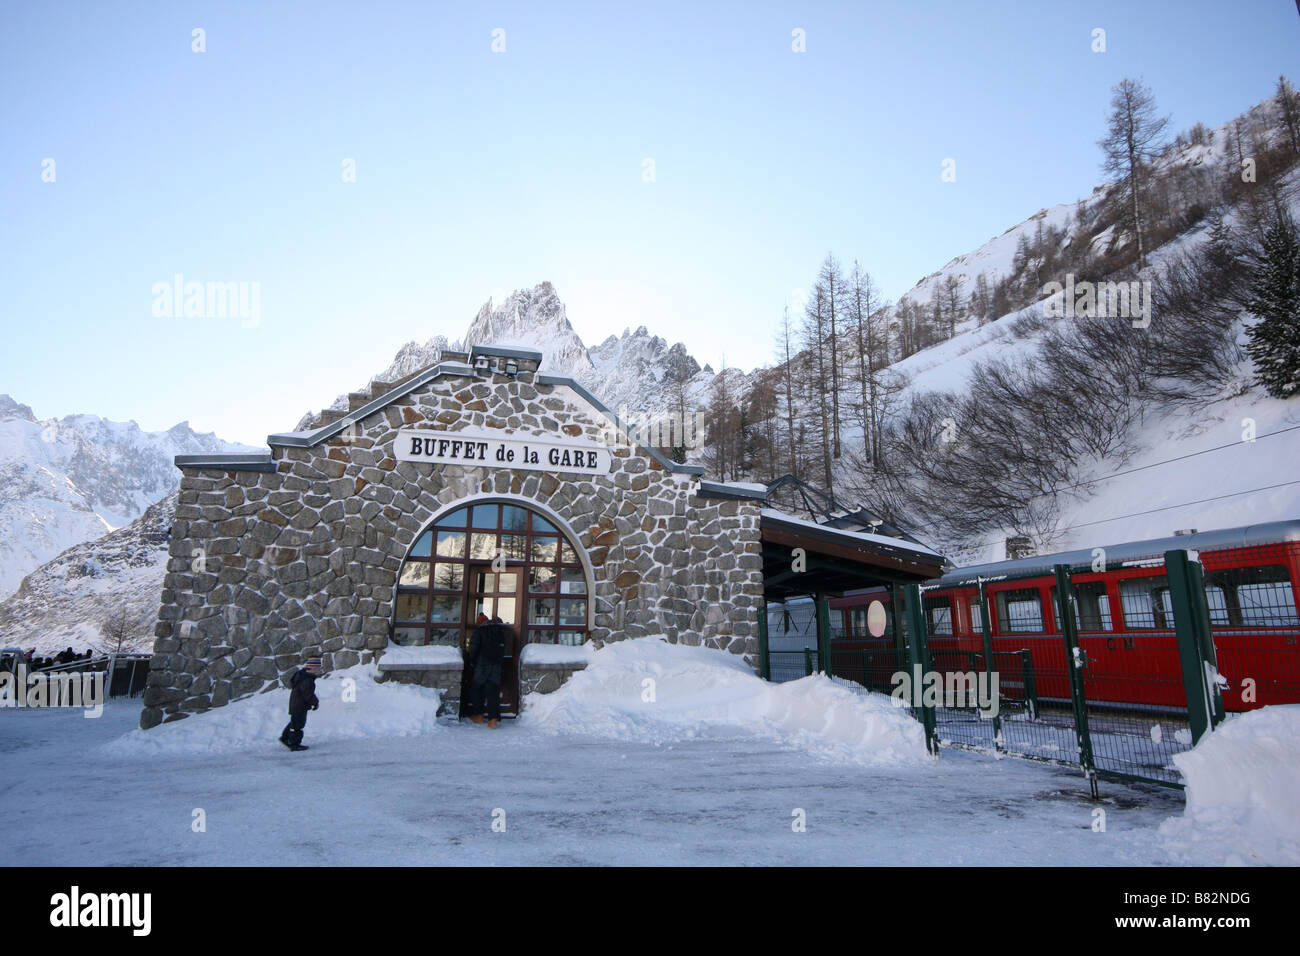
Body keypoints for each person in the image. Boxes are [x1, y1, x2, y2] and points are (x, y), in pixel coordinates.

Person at [464, 616, 510, 728]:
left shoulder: (479, 632)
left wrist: (472, 661)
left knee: (476, 689)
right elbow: (503, 649)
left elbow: (473, 649)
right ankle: (493, 720)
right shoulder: (500, 633)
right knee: (493, 691)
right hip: (496, 666)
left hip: (482, 665)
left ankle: (478, 715)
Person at [279, 657, 321, 751]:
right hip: (299, 705)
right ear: (312, 667)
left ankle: (285, 738)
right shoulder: (307, 679)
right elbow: (307, 693)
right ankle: (294, 744)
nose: (319, 670)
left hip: (297, 704)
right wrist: (315, 702)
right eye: (318, 668)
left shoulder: (303, 676)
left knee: (295, 722)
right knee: (298, 724)